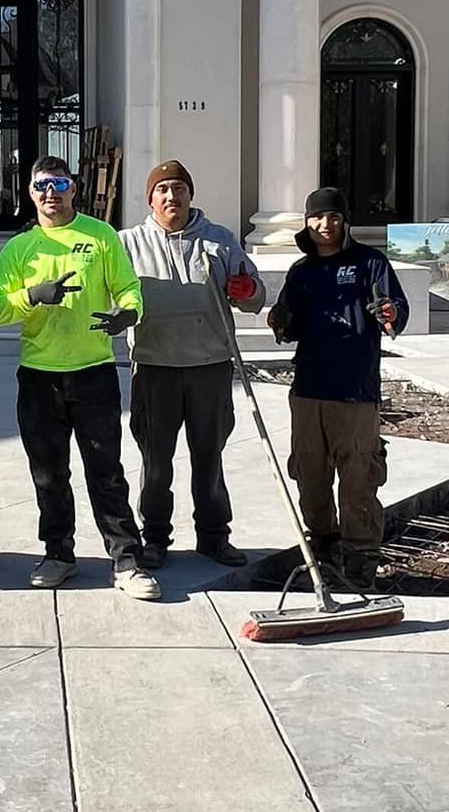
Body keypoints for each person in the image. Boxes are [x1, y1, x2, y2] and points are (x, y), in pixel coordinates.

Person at [0, 156, 158, 600]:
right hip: (40, 378)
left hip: (93, 374)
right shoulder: (19, 249)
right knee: (49, 474)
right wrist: (33, 295)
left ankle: (126, 559)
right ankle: (58, 554)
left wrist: (128, 313)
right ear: (30, 192)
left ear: (74, 188)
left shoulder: (100, 236)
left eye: (59, 184)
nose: (51, 193)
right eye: (42, 185)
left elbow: (128, 288)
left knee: (106, 471)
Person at [121, 160, 266, 569]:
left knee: (209, 458)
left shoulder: (219, 240)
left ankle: (214, 536)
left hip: (210, 366)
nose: (172, 196)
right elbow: (111, 292)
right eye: (163, 189)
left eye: (179, 188)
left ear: (190, 195)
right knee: (155, 463)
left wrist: (247, 289)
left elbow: (255, 297)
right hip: (154, 367)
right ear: (150, 198)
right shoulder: (127, 243)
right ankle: (154, 538)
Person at [268, 185, 410, 593]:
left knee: (358, 479)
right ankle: (324, 552)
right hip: (309, 389)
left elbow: (395, 310)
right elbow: (288, 324)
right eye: (317, 217)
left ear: (345, 221)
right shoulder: (302, 271)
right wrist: (279, 320)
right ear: (307, 222)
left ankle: (361, 561)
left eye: (333, 217)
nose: (325, 225)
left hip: (355, 393)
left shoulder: (370, 263)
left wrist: (390, 313)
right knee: (310, 477)